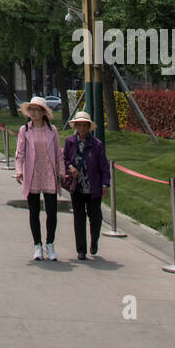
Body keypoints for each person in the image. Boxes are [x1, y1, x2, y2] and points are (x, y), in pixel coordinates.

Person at [15, 96, 64, 261]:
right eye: (31, 110)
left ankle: (50, 244)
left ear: (43, 112)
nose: (33, 113)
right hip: (32, 173)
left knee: (51, 212)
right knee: (34, 211)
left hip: (49, 173)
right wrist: (19, 171)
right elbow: (20, 153)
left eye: (36, 109)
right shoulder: (25, 130)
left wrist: (61, 171)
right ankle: (37, 245)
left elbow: (58, 154)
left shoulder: (52, 131)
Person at [63, 111, 111, 260]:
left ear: (89, 127)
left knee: (95, 217)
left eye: (85, 125)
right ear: (76, 126)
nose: (82, 128)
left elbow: (104, 165)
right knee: (79, 217)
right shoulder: (70, 141)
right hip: (76, 186)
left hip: (93, 187)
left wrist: (105, 184)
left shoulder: (97, 144)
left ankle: (94, 241)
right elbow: (63, 160)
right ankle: (81, 249)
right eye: (79, 125)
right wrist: (70, 167)